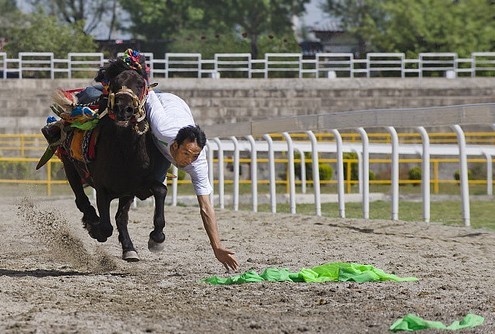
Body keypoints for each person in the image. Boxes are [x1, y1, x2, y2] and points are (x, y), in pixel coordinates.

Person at [146, 90, 239, 272]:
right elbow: (148, 93)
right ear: (175, 146)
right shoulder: (162, 129)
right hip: (162, 102)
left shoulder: (199, 162)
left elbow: (205, 207)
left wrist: (217, 247)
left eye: (194, 156)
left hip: (181, 109)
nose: (189, 161)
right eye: (186, 154)